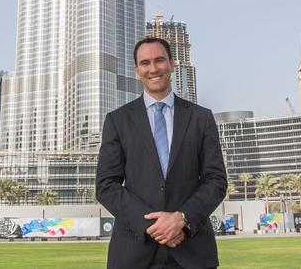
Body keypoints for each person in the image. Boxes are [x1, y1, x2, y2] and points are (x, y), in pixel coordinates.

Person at [96, 36, 227, 269]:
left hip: (192, 250)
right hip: (134, 251)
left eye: (159, 60)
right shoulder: (117, 121)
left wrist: (182, 219)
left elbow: (215, 180)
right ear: (137, 70)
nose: (153, 68)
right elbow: (106, 185)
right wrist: (153, 226)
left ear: (172, 64)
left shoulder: (201, 118)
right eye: (145, 63)